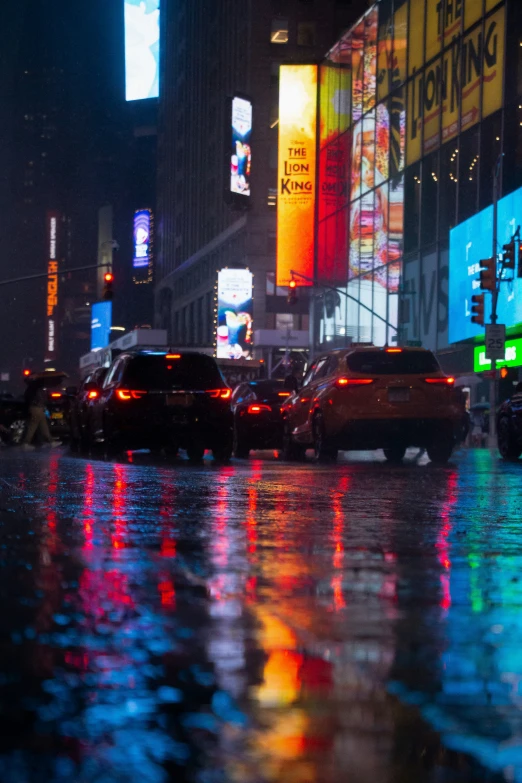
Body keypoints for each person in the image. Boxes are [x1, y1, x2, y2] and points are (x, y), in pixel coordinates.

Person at [21, 379, 61, 451]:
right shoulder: (37, 389)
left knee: (43, 425)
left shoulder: (31, 389)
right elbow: (42, 399)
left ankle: (51, 441)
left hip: (36, 408)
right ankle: (26, 443)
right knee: (33, 426)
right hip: (37, 408)